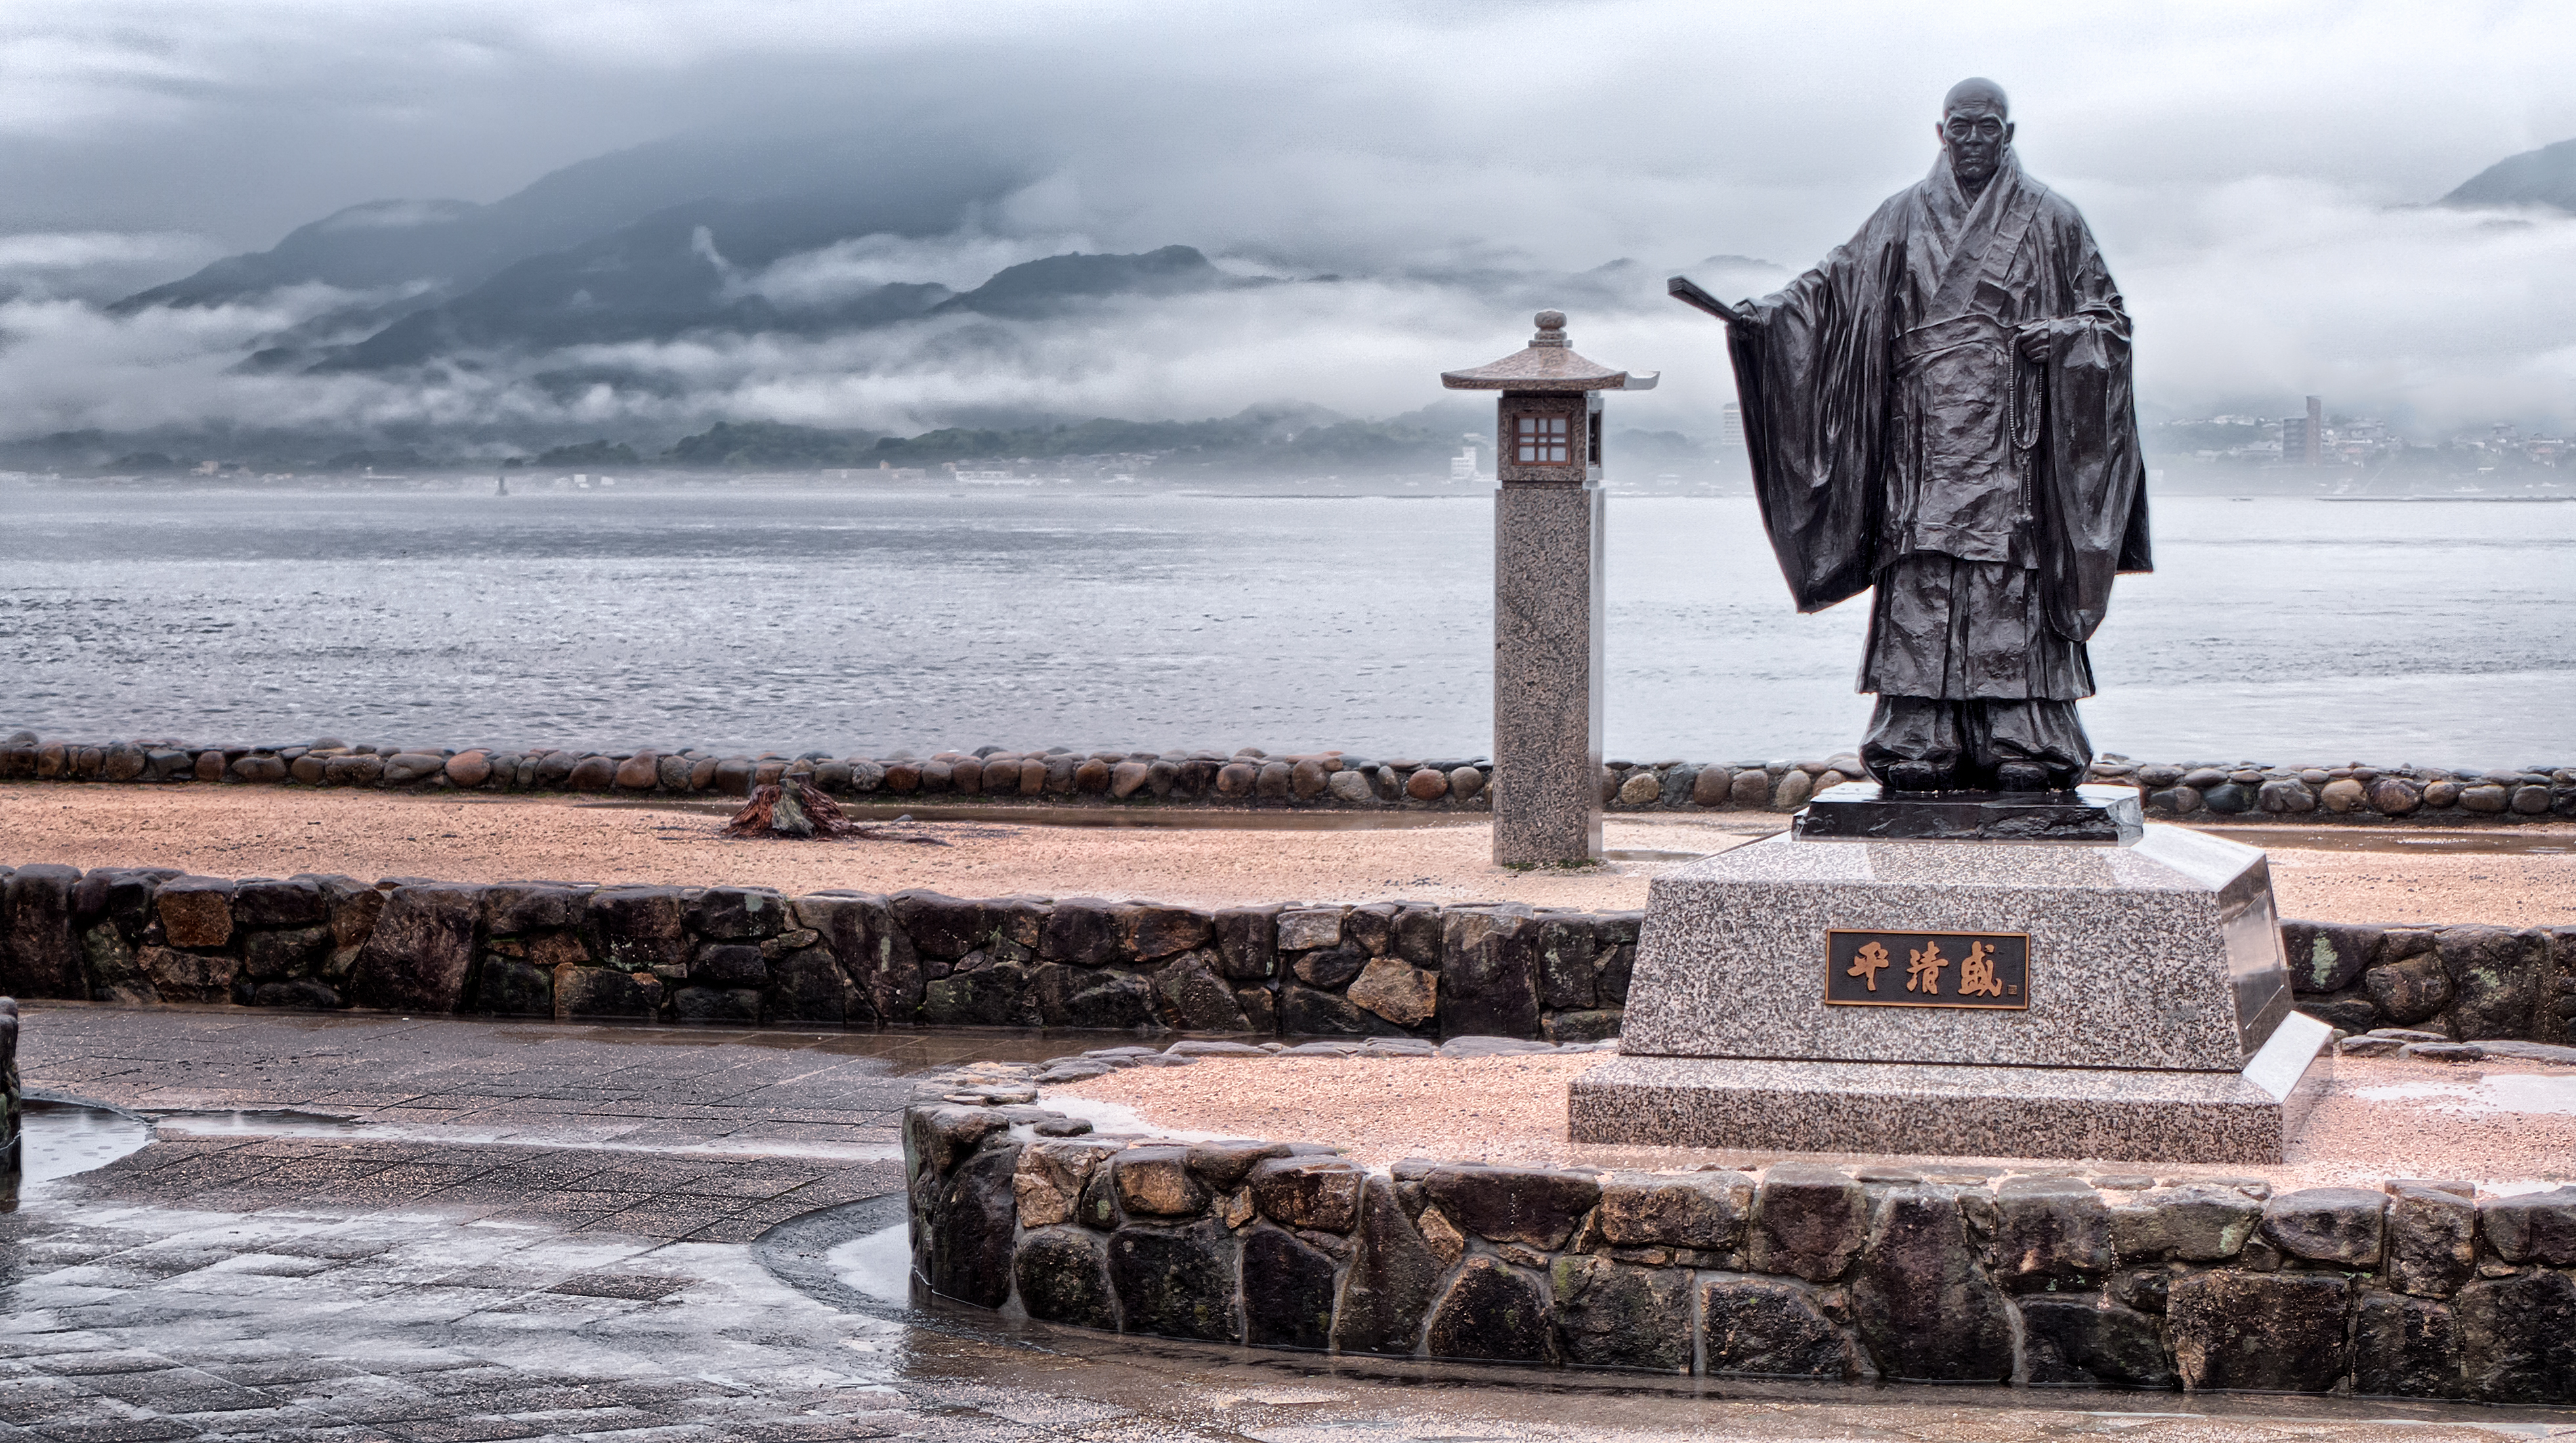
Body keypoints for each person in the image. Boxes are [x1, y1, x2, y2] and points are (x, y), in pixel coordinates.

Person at [1718, 77, 2151, 793]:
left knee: (2008, 576)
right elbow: (1830, 286)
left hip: (2011, 442)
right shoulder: (1902, 217)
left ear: (2008, 135)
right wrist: (1770, 318)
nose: (1973, 140)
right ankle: (1919, 730)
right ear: (1939, 131)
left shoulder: (2051, 220)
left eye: (1987, 128)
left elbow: (2109, 323)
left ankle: (2024, 733)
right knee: (1922, 571)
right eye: (1961, 127)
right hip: (1920, 442)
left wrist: (2064, 335)